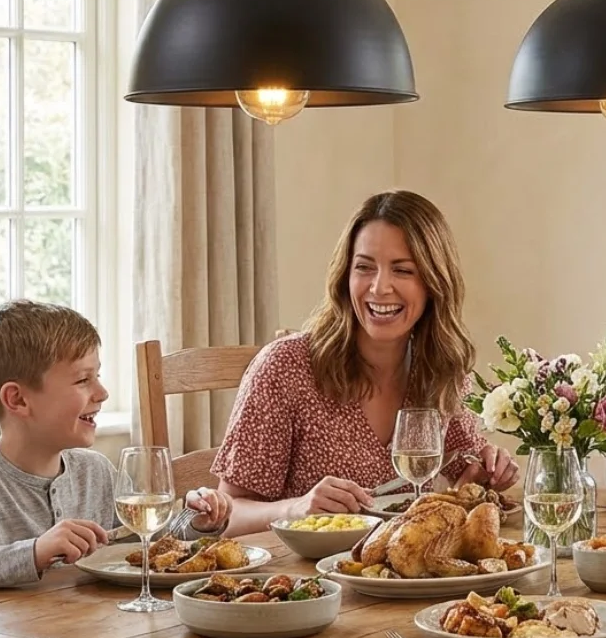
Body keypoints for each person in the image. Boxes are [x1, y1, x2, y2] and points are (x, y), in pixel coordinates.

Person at [214, 190, 518, 534]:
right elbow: (228, 515)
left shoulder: (443, 370)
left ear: (434, 283)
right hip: (309, 580)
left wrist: (489, 472)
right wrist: (296, 508)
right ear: (345, 275)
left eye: (403, 270)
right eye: (364, 267)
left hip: (407, 577)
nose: (379, 287)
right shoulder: (285, 367)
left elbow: (464, 479)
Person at [0, 301, 233, 597]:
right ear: (18, 400)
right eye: (83, 380)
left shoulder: (94, 471)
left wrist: (194, 524)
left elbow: (147, 542)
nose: (103, 392)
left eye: (98, 376)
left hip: (92, 637)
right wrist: (32, 553)